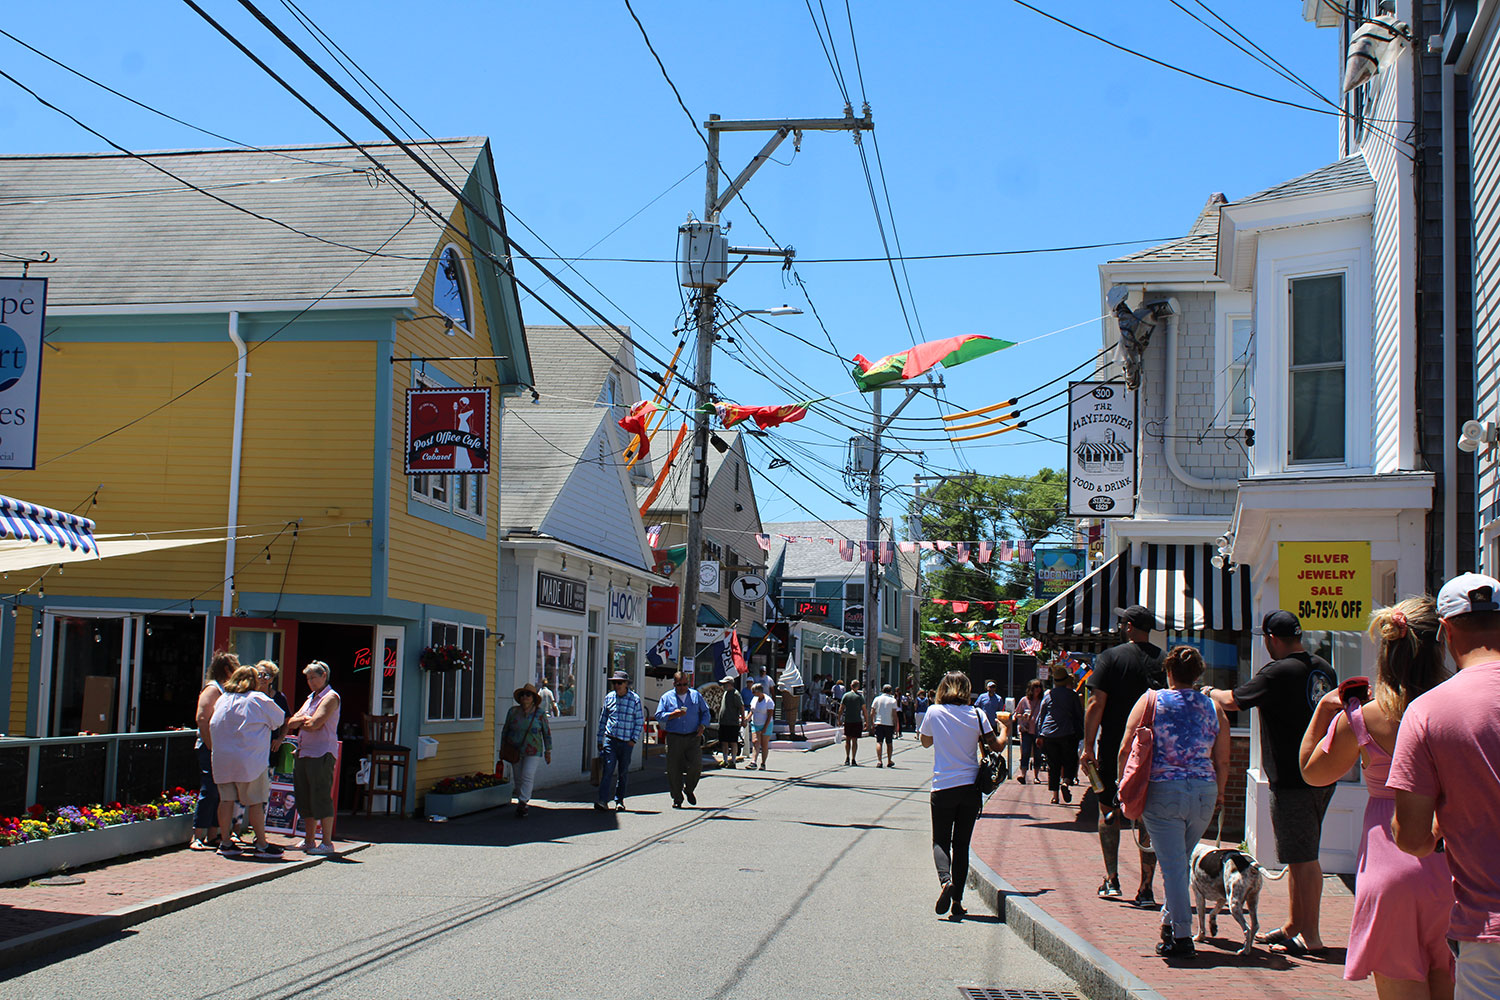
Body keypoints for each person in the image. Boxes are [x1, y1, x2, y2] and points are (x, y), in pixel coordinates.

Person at [1302, 596, 1453, 998]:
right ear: (1440, 644)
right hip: (1451, 863)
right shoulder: (1456, 706)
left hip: (1389, 869)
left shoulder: (1362, 718)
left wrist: (1325, 711)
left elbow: (1313, 773)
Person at [1391, 573, 1500, 999]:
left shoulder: (1428, 712)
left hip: (1487, 933)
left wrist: (1441, 827)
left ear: (1445, 629)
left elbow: (1413, 838)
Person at [1203, 609, 1337, 952]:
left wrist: (1209, 690)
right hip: (1323, 771)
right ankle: (1294, 927)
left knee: (1303, 859)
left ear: (1270, 639)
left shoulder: (1277, 672)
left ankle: (1313, 937)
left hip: (1292, 777)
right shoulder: (1323, 668)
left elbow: (1234, 701)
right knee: (1302, 855)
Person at [1120, 646, 1229, 959]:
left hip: (1164, 790)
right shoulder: (1214, 707)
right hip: (1204, 791)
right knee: (1179, 862)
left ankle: (1182, 935)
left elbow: (1126, 747)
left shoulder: (1151, 700)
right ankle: (1169, 925)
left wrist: (1122, 787)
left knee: (1173, 867)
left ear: (1168, 672)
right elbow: (1223, 760)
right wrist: (1219, 793)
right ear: (1198, 674)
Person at [1082, 605, 1165, 904]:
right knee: (1148, 817)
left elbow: (1096, 703)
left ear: (1129, 626)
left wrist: (1088, 746)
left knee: (1108, 810)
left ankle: (1112, 878)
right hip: (1154, 751)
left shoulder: (1110, 658)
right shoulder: (1164, 661)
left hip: (1114, 747)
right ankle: (1146, 887)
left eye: (1122, 622)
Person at [921, 670, 1006, 921]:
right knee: (961, 846)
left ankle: (946, 881)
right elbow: (997, 745)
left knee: (940, 841)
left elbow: (925, 742)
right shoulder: (977, 714)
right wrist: (1005, 727)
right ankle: (957, 902)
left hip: (943, 786)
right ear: (967, 690)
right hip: (970, 788)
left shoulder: (933, 712)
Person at [209, 664, 286, 858]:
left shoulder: (223, 699)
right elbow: (279, 719)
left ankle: (225, 842)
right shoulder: (258, 698)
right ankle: (261, 843)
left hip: (222, 759)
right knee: (256, 802)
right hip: (251, 760)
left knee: (226, 800)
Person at [284, 661, 341, 854]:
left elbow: (316, 724)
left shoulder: (331, 697)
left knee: (321, 796)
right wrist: (302, 721)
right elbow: (291, 722)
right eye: (308, 678)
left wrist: (304, 722)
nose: (310, 682)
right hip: (304, 751)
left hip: (322, 752)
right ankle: (309, 840)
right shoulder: (310, 698)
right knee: (305, 797)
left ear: (324, 675)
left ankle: (327, 842)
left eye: (313, 678)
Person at [191, 650, 238, 850]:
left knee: (220, 791)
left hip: (222, 748)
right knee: (209, 789)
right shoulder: (212, 689)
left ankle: (213, 833)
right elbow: (202, 719)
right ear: (226, 669)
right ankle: (197, 835)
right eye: (235, 667)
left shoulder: (226, 690)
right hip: (210, 747)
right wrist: (211, 747)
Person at [655, 671, 710, 808]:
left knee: (696, 766)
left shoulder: (695, 695)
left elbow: (705, 712)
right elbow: (659, 715)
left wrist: (703, 725)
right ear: (674, 684)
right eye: (679, 685)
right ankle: (677, 798)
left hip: (693, 737)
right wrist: (672, 715)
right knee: (674, 769)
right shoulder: (667, 698)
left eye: (685, 684)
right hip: (675, 737)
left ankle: (689, 789)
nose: (682, 687)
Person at [594, 670, 644, 812]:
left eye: (619, 682)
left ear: (626, 683)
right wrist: (600, 739)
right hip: (611, 740)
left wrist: (633, 740)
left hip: (626, 742)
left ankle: (619, 800)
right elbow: (603, 719)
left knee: (623, 772)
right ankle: (603, 800)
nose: (616, 685)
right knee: (608, 770)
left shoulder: (634, 699)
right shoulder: (609, 697)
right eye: (614, 683)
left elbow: (639, 721)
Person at [502, 684, 552, 817]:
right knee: (518, 777)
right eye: (523, 695)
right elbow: (505, 730)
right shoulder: (513, 712)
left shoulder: (540, 714)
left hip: (533, 750)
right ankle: (521, 800)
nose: (525, 697)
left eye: (528, 695)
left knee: (527, 774)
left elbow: (546, 733)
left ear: (533, 698)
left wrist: (548, 751)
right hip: (515, 749)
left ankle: (524, 802)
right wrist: (503, 747)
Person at [1036, 665, 1084, 805]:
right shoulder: (1072, 695)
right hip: (1067, 733)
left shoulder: (1048, 695)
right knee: (1070, 761)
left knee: (1053, 764)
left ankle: (1055, 796)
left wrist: (1040, 734)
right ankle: (1066, 782)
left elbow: (1041, 716)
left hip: (1049, 734)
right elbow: (1078, 715)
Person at [1015, 678, 1045, 785]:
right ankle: (1023, 775)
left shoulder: (1043, 701)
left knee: (1037, 754)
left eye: (1039, 687)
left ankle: (1036, 776)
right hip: (1026, 730)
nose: (1037, 689)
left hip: (1038, 731)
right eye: (1035, 687)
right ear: (1030, 689)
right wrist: (1022, 716)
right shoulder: (1024, 700)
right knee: (1025, 752)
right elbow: (1016, 714)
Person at [870, 683, 900, 768]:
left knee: (879, 742)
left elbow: (872, 712)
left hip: (879, 723)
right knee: (889, 743)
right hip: (889, 724)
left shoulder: (877, 699)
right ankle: (889, 760)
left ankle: (879, 761)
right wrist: (895, 725)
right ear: (891, 691)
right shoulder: (893, 700)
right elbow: (894, 714)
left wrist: (872, 723)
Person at [747, 682, 775, 770]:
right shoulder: (754, 699)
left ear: (759, 692)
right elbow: (752, 711)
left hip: (766, 724)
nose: (753, 694)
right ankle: (753, 762)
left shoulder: (768, 700)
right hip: (755, 723)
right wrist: (746, 719)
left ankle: (763, 763)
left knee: (764, 744)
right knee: (755, 742)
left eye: (754, 692)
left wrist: (765, 728)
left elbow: (770, 715)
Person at [717, 674, 744, 768]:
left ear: (730, 684)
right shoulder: (725, 693)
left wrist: (743, 720)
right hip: (724, 722)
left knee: (733, 742)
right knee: (724, 742)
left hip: (732, 722)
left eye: (725, 684)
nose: (723, 685)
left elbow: (741, 706)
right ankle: (725, 760)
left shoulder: (735, 694)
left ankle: (733, 761)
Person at [841, 679, 867, 765]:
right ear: (858, 687)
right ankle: (853, 758)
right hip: (857, 720)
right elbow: (864, 710)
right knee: (854, 740)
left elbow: (841, 709)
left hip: (848, 720)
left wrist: (839, 719)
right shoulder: (860, 697)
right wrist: (866, 721)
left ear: (851, 686)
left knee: (847, 740)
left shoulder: (846, 696)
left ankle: (847, 757)